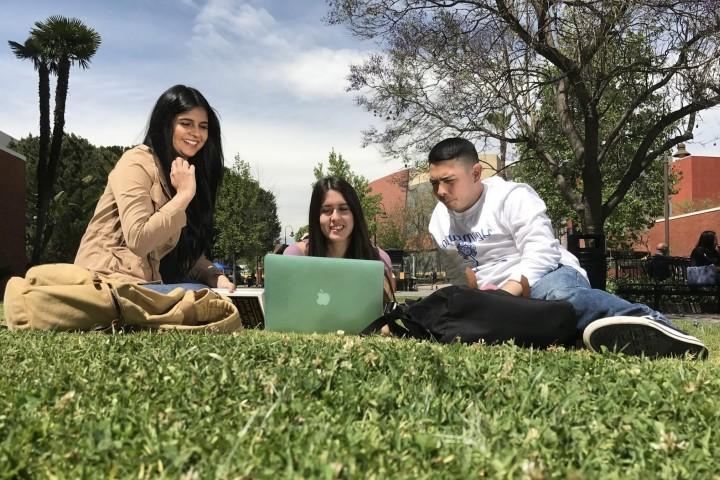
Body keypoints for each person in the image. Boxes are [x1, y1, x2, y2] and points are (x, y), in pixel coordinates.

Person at [426, 137, 707, 358]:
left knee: (561, 298)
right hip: (494, 299)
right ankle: (579, 334)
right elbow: (459, 276)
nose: (440, 191)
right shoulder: (438, 221)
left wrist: (504, 298)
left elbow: (541, 253)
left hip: (544, 275)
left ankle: (651, 324)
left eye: (449, 181)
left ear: (476, 173)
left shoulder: (511, 196)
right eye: (434, 183)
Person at [75, 85, 235, 294]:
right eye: (186, 123)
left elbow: (185, 255)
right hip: (105, 283)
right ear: (166, 124)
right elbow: (139, 240)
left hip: (144, 287)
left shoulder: (183, 174)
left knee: (206, 293)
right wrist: (184, 196)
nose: (196, 133)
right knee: (198, 297)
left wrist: (216, 277)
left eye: (203, 126)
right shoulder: (136, 162)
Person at [284, 176, 395, 299]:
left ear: (355, 214)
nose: (335, 217)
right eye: (327, 210)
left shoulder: (378, 259)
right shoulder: (295, 257)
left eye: (343, 209)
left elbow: (386, 313)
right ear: (316, 217)